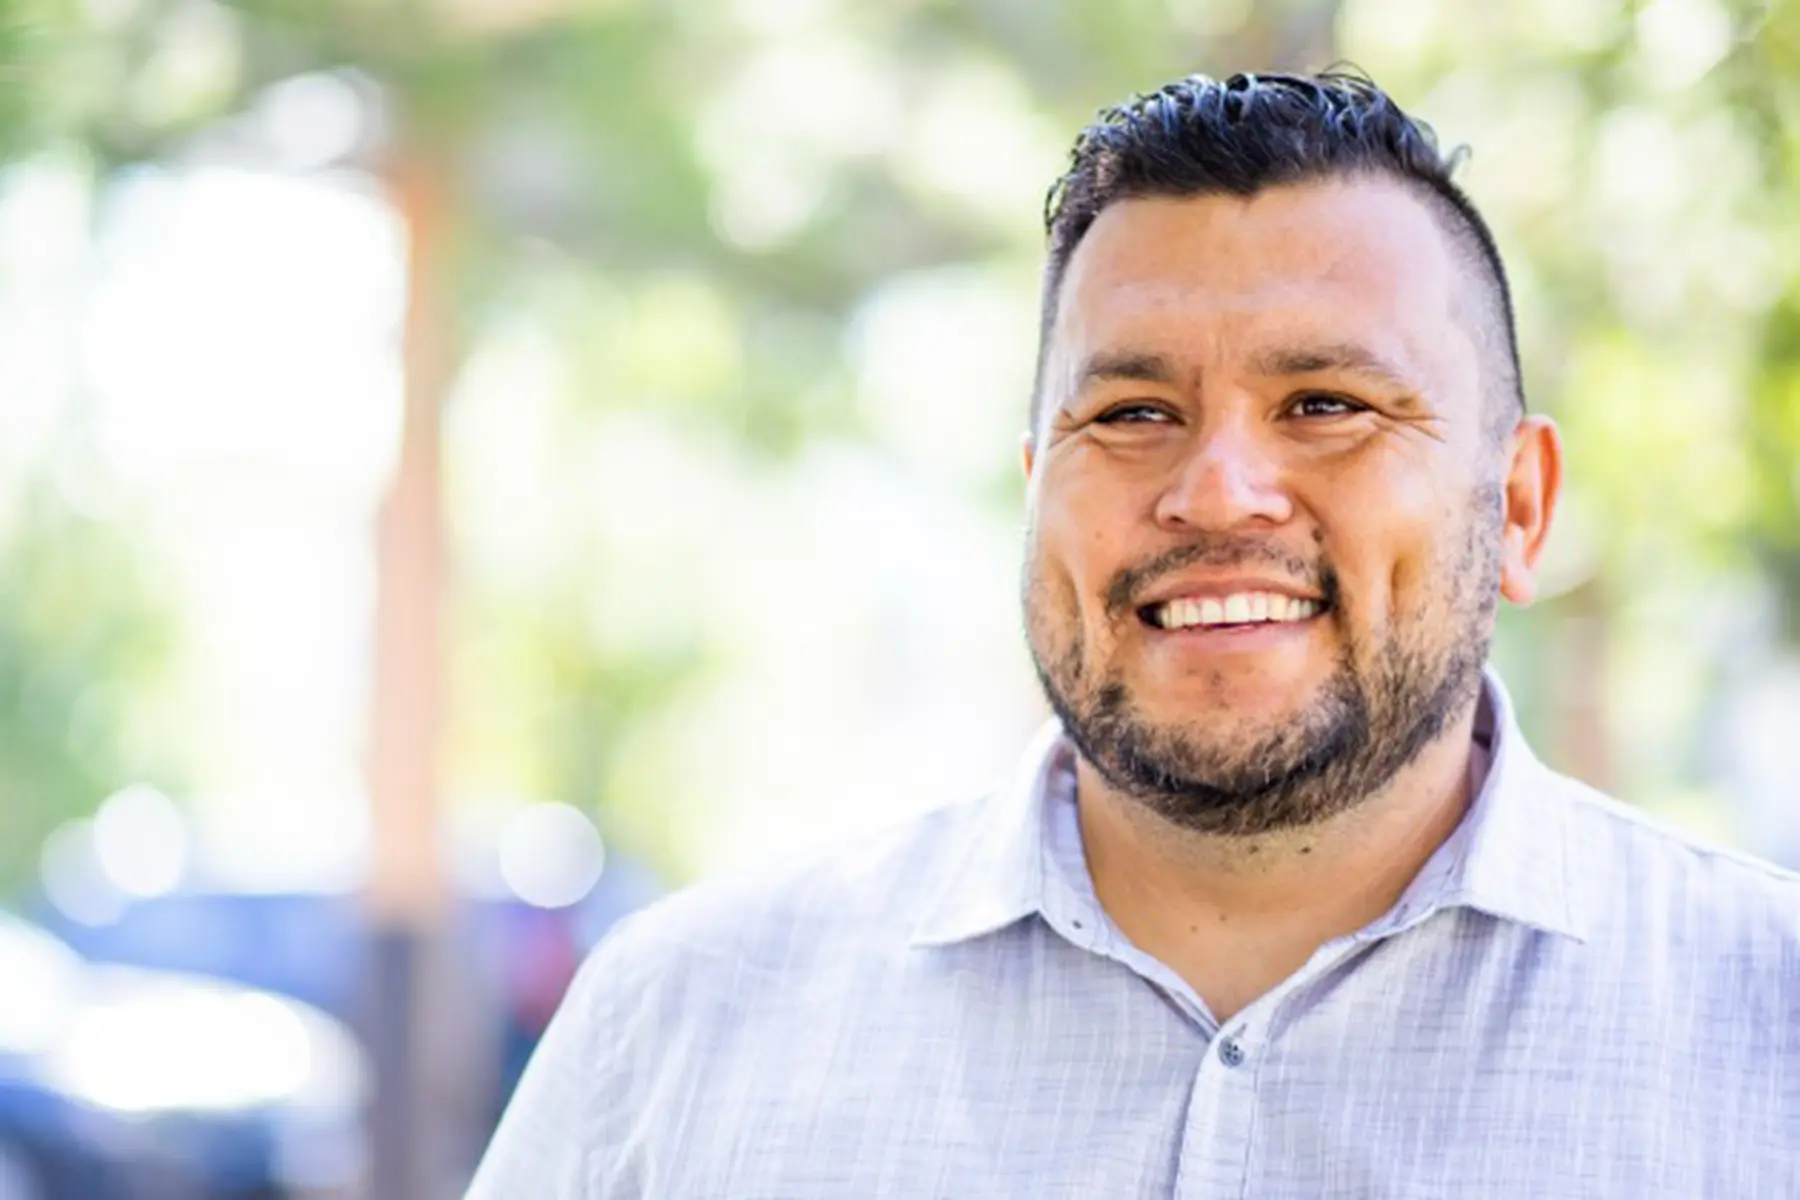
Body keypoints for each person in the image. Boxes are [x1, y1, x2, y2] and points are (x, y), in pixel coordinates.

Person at [467, 71, 1800, 1198]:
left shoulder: (1769, 1032)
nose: (1217, 490)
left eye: (1327, 403)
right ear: (1034, 487)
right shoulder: (673, 1032)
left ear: (1517, 508)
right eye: (1133, 415)